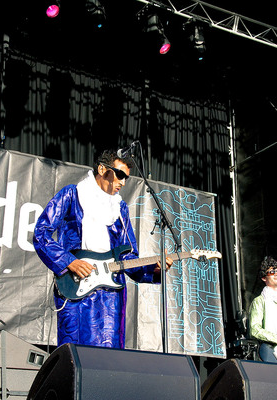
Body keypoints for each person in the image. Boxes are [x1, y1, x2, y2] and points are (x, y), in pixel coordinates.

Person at [33, 149, 172, 349]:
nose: (123, 182)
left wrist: (154, 270)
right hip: (76, 290)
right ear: (101, 169)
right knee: (76, 356)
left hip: (110, 297)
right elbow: (41, 233)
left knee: (108, 360)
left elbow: (129, 257)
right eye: (120, 175)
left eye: (126, 178)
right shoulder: (72, 195)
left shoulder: (120, 208)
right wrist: (68, 261)